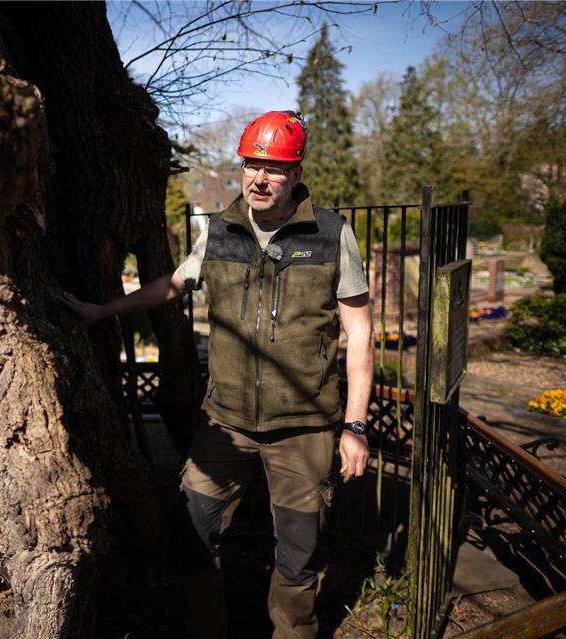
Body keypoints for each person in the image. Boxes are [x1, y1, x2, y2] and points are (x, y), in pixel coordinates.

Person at [62, 110, 372, 639]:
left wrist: (355, 426)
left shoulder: (330, 234)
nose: (259, 178)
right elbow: (173, 286)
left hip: (303, 428)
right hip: (224, 425)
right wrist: (101, 311)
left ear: (296, 173)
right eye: (252, 164)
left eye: (273, 168)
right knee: (190, 535)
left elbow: (360, 332)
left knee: (298, 556)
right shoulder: (221, 229)